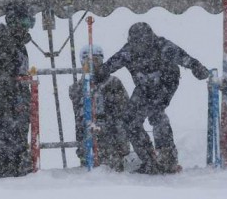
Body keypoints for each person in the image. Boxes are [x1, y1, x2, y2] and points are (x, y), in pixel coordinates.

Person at [96, 22, 211, 174]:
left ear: (150, 39)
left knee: (156, 113)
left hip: (166, 83)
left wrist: (198, 68)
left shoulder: (163, 47)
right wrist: (97, 74)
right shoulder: (128, 51)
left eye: (143, 44)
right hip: (144, 87)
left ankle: (168, 159)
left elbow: (185, 58)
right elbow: (111, 64)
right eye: (136, 44)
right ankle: (149, 159)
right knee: (129, 119)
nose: (140, 48)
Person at [0, 1, 36, 176]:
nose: (28, 28)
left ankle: (18, 168)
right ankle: (11, 172)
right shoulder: (3, 41)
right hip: (9, 104)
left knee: (19, 142)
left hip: (19, 101)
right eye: (25, 23)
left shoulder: (17, 42)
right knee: (11, 144)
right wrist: (13, 99)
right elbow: (2, 77)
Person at [69, 44, 130, 171]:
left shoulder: (113, 83)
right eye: (87, 61)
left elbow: (124, 112)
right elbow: (78, 120)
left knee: (112, 170)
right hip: (88, 138)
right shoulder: (77, 88)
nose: (92, 65)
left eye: (96, 61)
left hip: (112, 137)